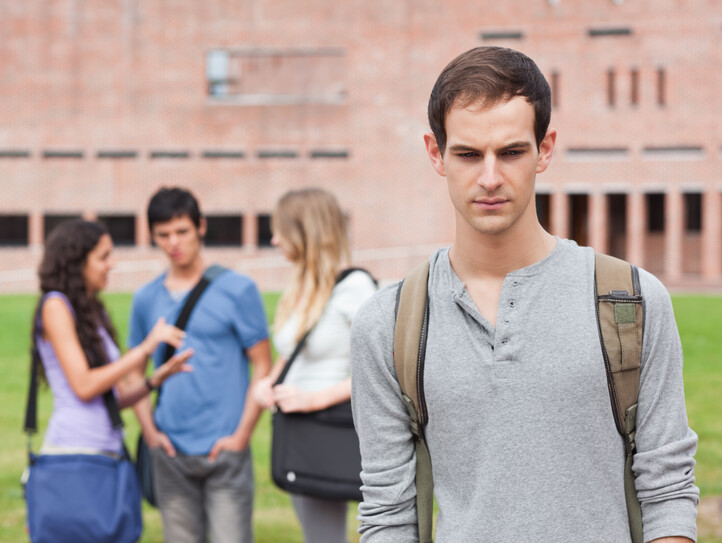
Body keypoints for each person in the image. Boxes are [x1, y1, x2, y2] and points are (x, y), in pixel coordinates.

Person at [349, 46, 699, 542]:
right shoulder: (387, 324)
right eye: (468, 154)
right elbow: (387, 513)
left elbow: (668, 490)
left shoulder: (633, 300)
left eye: (511, 152)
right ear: (436, 154)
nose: (490, 178)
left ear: (545, 150)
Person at [29, 219, 193, 536]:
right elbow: (85, 385)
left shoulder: (91, 310)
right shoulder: (55, 305)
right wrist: (145, 348)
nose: (111, 264)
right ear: (78, 260)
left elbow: (108, 397)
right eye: (103, 256)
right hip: (75, 456)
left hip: (108, 456)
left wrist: (153, 381)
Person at [128, 187, 272, 543]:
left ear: (201, 227)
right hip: (169, 451)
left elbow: (263, 366)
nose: (173, 242)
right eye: (163, 235)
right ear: (153, 237)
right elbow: (133, 371)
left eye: (182, 231)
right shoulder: (145, 298)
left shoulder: (238, 290)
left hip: (224, 450)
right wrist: (150, 433)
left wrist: (241, 436)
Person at [253, 188, 377, 543]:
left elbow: (384, 369)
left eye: (281, 230)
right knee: (315, 533)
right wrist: (269, 382)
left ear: (306, 232)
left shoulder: (353, 288)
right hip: (298, 428)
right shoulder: (304, 287)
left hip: (331, 426)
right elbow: (293, 350)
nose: (274, 239)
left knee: (326, 536)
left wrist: (313, 400)